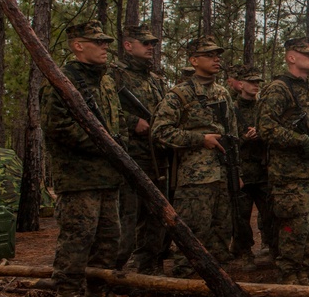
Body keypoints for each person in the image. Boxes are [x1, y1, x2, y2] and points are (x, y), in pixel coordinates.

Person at [42, 20, 123, 297]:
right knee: (78, 236)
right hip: (78, 177)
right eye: (98, 42)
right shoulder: (63, 79)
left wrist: (118, 145)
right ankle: (67, 296)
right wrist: (104, 145)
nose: (105, 47)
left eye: (106, 42)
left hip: (108, 176)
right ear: (78, 45)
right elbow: (57, 127)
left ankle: (97, 290)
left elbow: (117, 124)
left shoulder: (106, 81)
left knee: (108, 238)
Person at [152, 36, 238, 277]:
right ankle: (185, 284)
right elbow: (160, 132)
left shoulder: (222, 93)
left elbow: (232, 135)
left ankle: (219, 282)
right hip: (194, 179)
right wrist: (200, 139)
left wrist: (236, 172)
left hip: (222, 175)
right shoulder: (179, 94)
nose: (216, 59)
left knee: (221, 233)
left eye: (217, 55)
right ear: (193, 60)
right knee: (192, 232)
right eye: (209, 55)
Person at [255, 38, 309, 285]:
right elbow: (265, 128)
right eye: (307, 54)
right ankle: (289, 274)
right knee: (294, 226)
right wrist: (299, 140)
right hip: (289, 174)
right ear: (291, 57)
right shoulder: (278, 88)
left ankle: (303, 268)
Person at [112, 24, 168, 275]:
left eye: (152, 45)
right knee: (128, 217)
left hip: (157, 158)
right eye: (145, 43)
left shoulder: (156, 81)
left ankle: (149, 267)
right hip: (129, 159)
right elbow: (101, 114)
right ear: (127, 45)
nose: (150, 48)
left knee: (156, 216)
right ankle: (113, 270)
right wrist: (133, 122)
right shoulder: (114, 76)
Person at [230, 64, 273, 272]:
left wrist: (262, 134)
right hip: (243, 171)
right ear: (240, 85)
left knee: (269, 213)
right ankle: (244, 252)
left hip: (263, 170)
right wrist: (244, 138)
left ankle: (270, 248)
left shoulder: (263, 107)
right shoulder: (231, 109)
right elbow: (227, 141)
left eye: (258, 82)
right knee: (241, 216)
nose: (256, 86)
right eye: (251, 82)